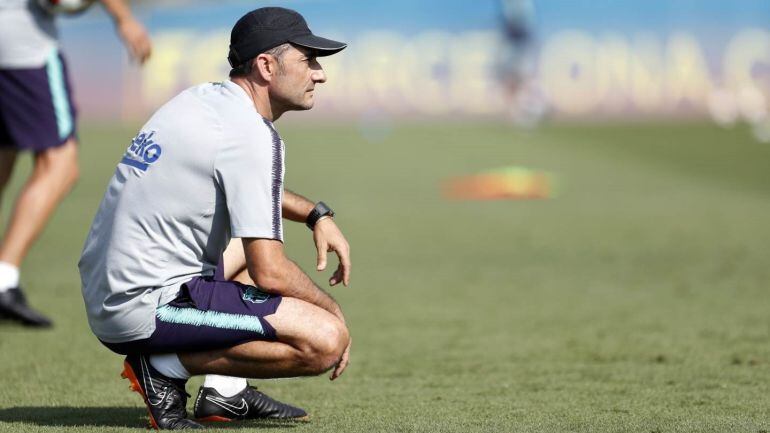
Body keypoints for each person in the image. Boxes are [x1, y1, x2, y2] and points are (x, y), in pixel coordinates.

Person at [78, 7, 352, 430]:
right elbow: (270, 272)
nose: (320, 74)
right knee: (325, 341)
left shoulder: (203, 100)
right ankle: (163, 368)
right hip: (142, 305)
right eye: (308, 60)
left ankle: (224, 392)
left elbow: (249, 185)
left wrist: (315, 213)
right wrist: (333, 311)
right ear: (266, 65)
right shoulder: (250, 135)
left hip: (112, 287)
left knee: (247, 243)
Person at [0, 0, 151, 327]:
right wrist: (123, 17)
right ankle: (3, 281)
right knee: (60, 162)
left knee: (5, 154)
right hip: (22, 43)